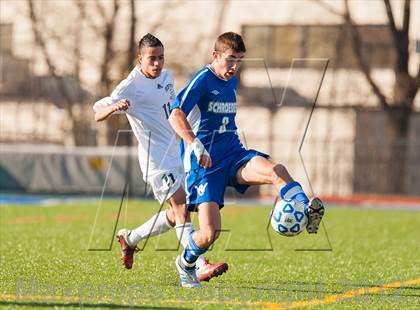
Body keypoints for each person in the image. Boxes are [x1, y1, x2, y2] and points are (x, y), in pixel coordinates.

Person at [169, 32, 325, 288]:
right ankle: (185, 265)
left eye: (239, 61)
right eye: (230, 59)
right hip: (204, 164)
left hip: (233, 153)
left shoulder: (231, 81)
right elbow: (175, 115)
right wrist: (195, 146)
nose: (234, 67)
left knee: (277, 170)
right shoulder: (202, 80)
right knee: (209, 234)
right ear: (215, 56)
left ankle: (306, 208)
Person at [93, 33, 228, 282]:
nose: (157, 64)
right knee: (181, 208)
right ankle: (197, 265)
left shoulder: (166, 76)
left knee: (176, 213)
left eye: (161, 58)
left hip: (177, 155)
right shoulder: (129, 86)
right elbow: (97, 113)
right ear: (140, 59)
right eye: (152, 59)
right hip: (155, 162)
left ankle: (130, 238)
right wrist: (113, 108)